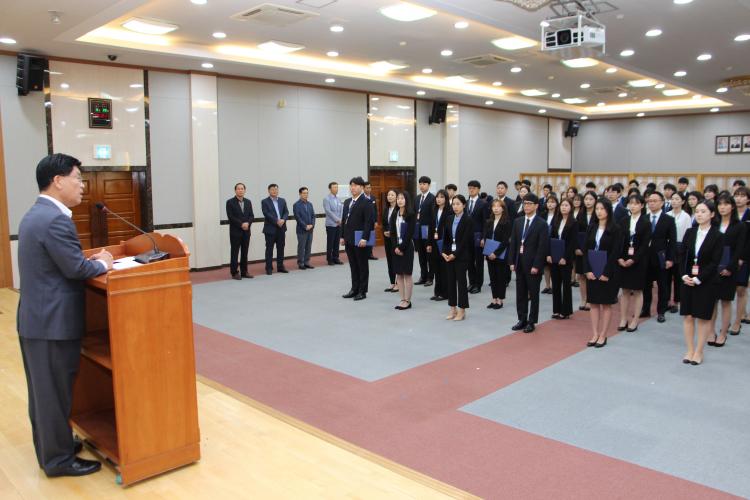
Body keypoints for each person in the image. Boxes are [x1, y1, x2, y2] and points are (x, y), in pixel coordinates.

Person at [17, 153, 114, 477]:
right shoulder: (54, 219)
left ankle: (53, 448)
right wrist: (103, 262)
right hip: (51, 324)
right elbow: (75, 268)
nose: (82, 186)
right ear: (58, 181)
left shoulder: (37, 213)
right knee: (52, 394)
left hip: (39, 320)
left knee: (45, 393)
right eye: (78, 179)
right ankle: (57, 460)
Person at [680, 200, 724, 365]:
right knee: (688, 316)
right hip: (688, 280)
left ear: (712, 214)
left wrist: (699, 278)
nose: (699, 214)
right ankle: (690, 349)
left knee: (703, 318)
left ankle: (699, 351)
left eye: (703, 211)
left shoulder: (718, 236)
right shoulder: (690, 232)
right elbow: (682, 255)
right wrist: (684, 275)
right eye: (697, 211)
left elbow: (715, 261)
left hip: (706, 281)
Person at [584, 198, 623, 348]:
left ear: (608, 210)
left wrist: (606, 272)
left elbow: (615, 252)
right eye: (597, 209)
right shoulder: (592, 227)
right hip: (592, 270)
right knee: (593, 303)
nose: (599, 212)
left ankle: (603, 334)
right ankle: (595, 333)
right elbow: (586, 249)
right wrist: (587, 270)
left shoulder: (615, 229)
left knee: (606, 304)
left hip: (607, 272)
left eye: (602, 209)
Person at [508, 193, 550, 333]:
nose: (526, 206)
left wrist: (537, 265)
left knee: (533, 294)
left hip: (533, 265)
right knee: (520, 293)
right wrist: (511, 261)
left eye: (529, 204)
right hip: (519, 263)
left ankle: (532, 321)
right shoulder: (518, 221)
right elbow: (514, 242)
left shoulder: (542, 224)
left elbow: (542, 247)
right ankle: (522, 318)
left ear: (536, 206)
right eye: (525, 203)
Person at [710, 193, 746, 345]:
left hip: (729, 268)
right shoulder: (714, 223)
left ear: (732, 207)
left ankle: (723, 333)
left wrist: (730, 267)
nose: (722, 207)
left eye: (726, 204)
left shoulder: (739, 226)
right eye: (719, 204)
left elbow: (739, 249)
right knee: (712, 301)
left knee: (725, 301)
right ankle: (711, 331)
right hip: (712, 268)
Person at [641, 191, 677, 322]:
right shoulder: (643, 218)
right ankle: (645, 309)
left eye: (655, 201)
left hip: (661, 257)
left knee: (663, 285)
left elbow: (672, 241)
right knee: (645, 285)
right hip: (645, 257)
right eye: (650, 201)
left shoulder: (669, 219)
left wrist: (670, 258)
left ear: (662, 203)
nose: (651, 203)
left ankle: (661, 311)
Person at [617, 194, 650, 332]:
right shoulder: (624, 220)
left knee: (637, 290)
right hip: (624, 260)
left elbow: (644, 245)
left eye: (636, 203)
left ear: (642, 205)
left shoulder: (646, 222)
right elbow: (619, 241)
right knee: (624, 290)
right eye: (630, 203)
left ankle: (635, 319)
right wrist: (619, 258)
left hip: (638, 261)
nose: (633, 206)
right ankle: (623, 318)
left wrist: (634, 259)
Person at [442, 195, 474, 321]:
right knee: (450, 282)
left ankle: (462, 310)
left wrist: (455, 254)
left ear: (464, 205)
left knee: (461, 283)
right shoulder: (449, 218)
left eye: (458, 204)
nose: (455, 206)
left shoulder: (468, 219)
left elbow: (466, 241)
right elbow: (446, 238)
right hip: (449, 255)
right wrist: (444, 252)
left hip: (462, 256)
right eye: (453, 204)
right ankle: (452, 308)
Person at [341, 177, 373, 301]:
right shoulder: (347, 202)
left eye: (355, 185)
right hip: (349, 238)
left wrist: (365, 238)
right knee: (353, 265)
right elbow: (344, 220)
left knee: (362, 265)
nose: (352, 188)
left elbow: (368, 222)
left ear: (361, 187)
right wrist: (342, 236)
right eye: (351, 185)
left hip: (360, 239)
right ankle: (354, 289)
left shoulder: (366, 202)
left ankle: (362, 291)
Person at [548, 198, 576, 319]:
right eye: (562, 205)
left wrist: (565, 257)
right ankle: (556, 309)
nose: (564, 207)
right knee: (555, 284)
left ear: (571, 207)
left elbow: (572, 242)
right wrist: (549, 254)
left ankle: (566, 311)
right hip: (554, 256)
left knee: (566, 284)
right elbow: (550, 238)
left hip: (566, 257)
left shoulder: (573, 222)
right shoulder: (556, 220)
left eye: (566, 205)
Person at [482, 199, 511, 309]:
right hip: (489, 253)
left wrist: (496, 253)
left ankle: (500, 300)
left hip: (500, 253)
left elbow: (505, 241)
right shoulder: (489, 221)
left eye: (498, 206)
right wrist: (487, 252)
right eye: (494, 206)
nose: (496, 208)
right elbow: (486, 238)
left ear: (503, 209)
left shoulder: (506, 222)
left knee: (500, 277)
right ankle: (494, 299)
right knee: (492, 277)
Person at [390, 191, 416, 310]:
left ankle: (407, 301)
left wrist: (401, 248)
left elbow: (410, 233)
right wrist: (396, 247)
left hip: (407, 247)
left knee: (407, 274)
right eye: (398, 198)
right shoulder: (394, 214)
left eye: (402, 198)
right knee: (399, 275)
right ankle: (402, 299)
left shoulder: (411, 214)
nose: (400, 200)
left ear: (406, 200)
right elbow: (393, 233)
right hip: (396, 248)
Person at [667, 192, 691, 313]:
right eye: (672, 199)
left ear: (683, 201)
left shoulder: (686, 216)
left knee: (678, 275)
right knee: (666, 275)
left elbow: (688, 234)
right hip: (668, 245)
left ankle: (676, 301)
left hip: (681, 246)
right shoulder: (667, 214)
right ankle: (666, 300)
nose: (674, 201)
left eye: (677, 199)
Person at [226, 182, 254, 280]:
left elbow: (251, 215)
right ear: (235, 190)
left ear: (245, 190)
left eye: (242, 189)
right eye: (238, 189)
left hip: (246, 231)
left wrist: (248, 223)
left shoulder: (248, 202)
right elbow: (231, 216)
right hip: (235, 232)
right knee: (235, 252)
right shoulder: (230, 202)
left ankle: (244, 271)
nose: (240, 190)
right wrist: (241, 224)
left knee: (244, 252)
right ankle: (234, 272)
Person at [732, 186, 750, 330]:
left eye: (742, 196)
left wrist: (742, 257)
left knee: (741, 288)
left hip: (745, 256)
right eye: (737, 195)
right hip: (729, 255)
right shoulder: (730, 213)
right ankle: (740, 314)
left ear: (748, 199)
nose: (739, 198)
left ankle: (738, 321)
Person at [575, 190, 597, 310]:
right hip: (580, 250)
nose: (588, 202)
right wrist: (577, 248)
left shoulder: (598, 214)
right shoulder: (580, 214)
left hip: (593, 249)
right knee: (581, 276)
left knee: (591, 275)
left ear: (595, 201)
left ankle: (590, 299)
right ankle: (583, 299)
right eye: (586, 199)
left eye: (591, 199)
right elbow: (576, 233)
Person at [261, 183, 289, 275]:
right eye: (272, 189)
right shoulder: (264, 201)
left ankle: (280, 267)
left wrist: (283, 220)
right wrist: (277, 221)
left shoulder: (282, 200)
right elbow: (266, 213)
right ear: (269, 191)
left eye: (276, 189)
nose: (274, 191)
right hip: (270, 229)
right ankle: (269, 268)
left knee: (281, 248)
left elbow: (286, 212)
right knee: (269, 249)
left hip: (281, 228)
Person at [466, 180, 488, 294]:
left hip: (478, 236)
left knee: (479, 262)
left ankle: (478, 285)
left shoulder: (483, 203)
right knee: (469, 261)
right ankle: (471, 282)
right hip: (467, 237)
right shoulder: (465, 202)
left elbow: (485, 222)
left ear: (478, 189)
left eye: (473, 188)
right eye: (469, 188)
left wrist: (484, 237)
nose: (471, 190)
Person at [414, 176, 435, 287]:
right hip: (418, 230)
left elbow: (433, 217)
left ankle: (430, 277)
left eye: (424, 184)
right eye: (420, 184)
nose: (422, 186)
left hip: (427, 230)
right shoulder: (417, 198)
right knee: (421, 255)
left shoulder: (433, 198)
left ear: (429, 185)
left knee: (429, 255)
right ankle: (423, 276)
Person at [429, 190, 450, 301]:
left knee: (444, 269)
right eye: (437, 197)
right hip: (434, 242)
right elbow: (431, 228)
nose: (439, 199)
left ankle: (445, 293)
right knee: (436, 268)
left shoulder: (449, 212)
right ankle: (437, 292)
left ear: (446, 199)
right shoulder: (434, 210)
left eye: (441, 197)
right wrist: (429, 243)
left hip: (444, 243)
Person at [293, 187, 315, 270]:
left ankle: (307, 262)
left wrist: (312, 225)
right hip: (301, 230)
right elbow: (297, 217)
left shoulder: (310, 204)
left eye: (307, 193)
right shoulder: (296, 205)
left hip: (310, 229)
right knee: (301, 247)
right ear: (300, 194)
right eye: (304, 193)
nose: (306, 194)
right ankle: (301, 263)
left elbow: (313, 216)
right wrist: (305, 226)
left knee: (308, 247)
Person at [381, 189, 399, 293]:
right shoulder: (386, 209)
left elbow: (400, 224)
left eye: (392, 195)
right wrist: (385, 231)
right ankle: (392, 282)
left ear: (396, 197)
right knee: (390, 260)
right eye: (388, 195)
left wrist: (391, 232)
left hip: (396, 238)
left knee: (396, 260)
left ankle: (398, 283)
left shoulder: (399, 209)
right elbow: (384, 223)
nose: (390, 196)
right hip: (387, 238)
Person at [323, 181, 344, 265]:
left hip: (338, 224)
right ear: (330, 189)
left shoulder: (338, 199)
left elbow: (341, 210)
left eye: (337, 187)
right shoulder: (326, 199)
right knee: (330, 242)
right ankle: (329, 259)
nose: (336, 189)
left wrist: (340, 219)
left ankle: (336, 258)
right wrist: (337, 219)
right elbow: (328, 211)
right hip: (331, 224)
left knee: (336, 242)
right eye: (334, 187)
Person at [541, 195, 558, 294]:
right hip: (544, 241)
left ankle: (553, 285)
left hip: (553, 241)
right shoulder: (543, 214)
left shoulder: (558, 215)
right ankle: (547, 285)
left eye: (552, 202)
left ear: (556, 204)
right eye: (548, 202)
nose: (550, 204)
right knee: (545, 266)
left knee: (553, 265)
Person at [363, 181, 378, 260]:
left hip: (372, 222)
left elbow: (375, 210)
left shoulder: (373, 198)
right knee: (364, 237)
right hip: (364, 222)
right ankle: (364, 254)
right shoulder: (361, 198)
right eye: (367, 188)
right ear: (363, 188)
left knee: (371, 237)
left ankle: (370, 254)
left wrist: (375, 221)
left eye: (370, 188)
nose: (369, 189)